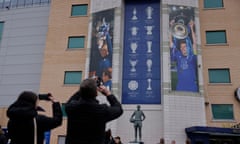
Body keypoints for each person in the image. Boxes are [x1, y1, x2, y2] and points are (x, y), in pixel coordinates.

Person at [65, 78, 123, 144]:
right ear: (96, 93)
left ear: (81, 91)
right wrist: (108, 93)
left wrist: (84, 87)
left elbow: (70, 101)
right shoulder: (101, 110)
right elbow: (119, 109)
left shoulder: (71, 108)